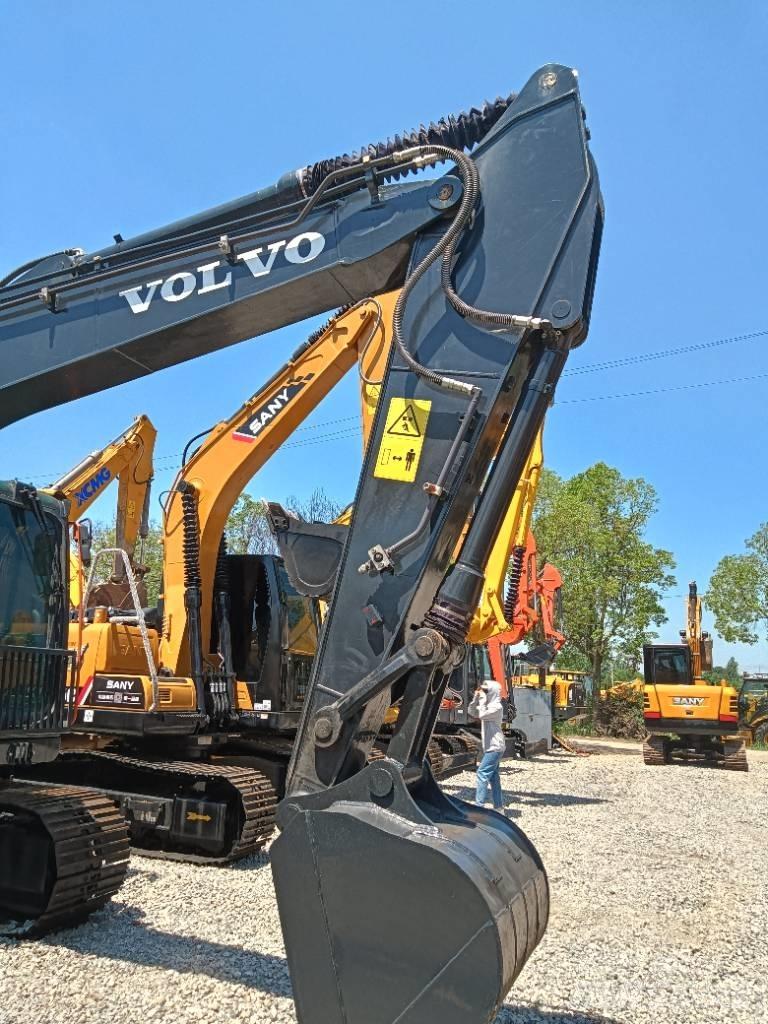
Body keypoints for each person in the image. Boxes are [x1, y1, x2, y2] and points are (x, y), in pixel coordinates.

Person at [468, 678, 506, 810]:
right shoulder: (489, 705)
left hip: (495, 747)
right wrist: (475, 698)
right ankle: (499, 808)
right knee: (494, 778)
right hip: (492, 747)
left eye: (486, 690)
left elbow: (482, 715)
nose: (483, 692)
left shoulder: (497, 707)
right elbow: (472, 712)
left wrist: (482, 699)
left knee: (481, 773)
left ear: (493, 692)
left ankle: (479, 808)